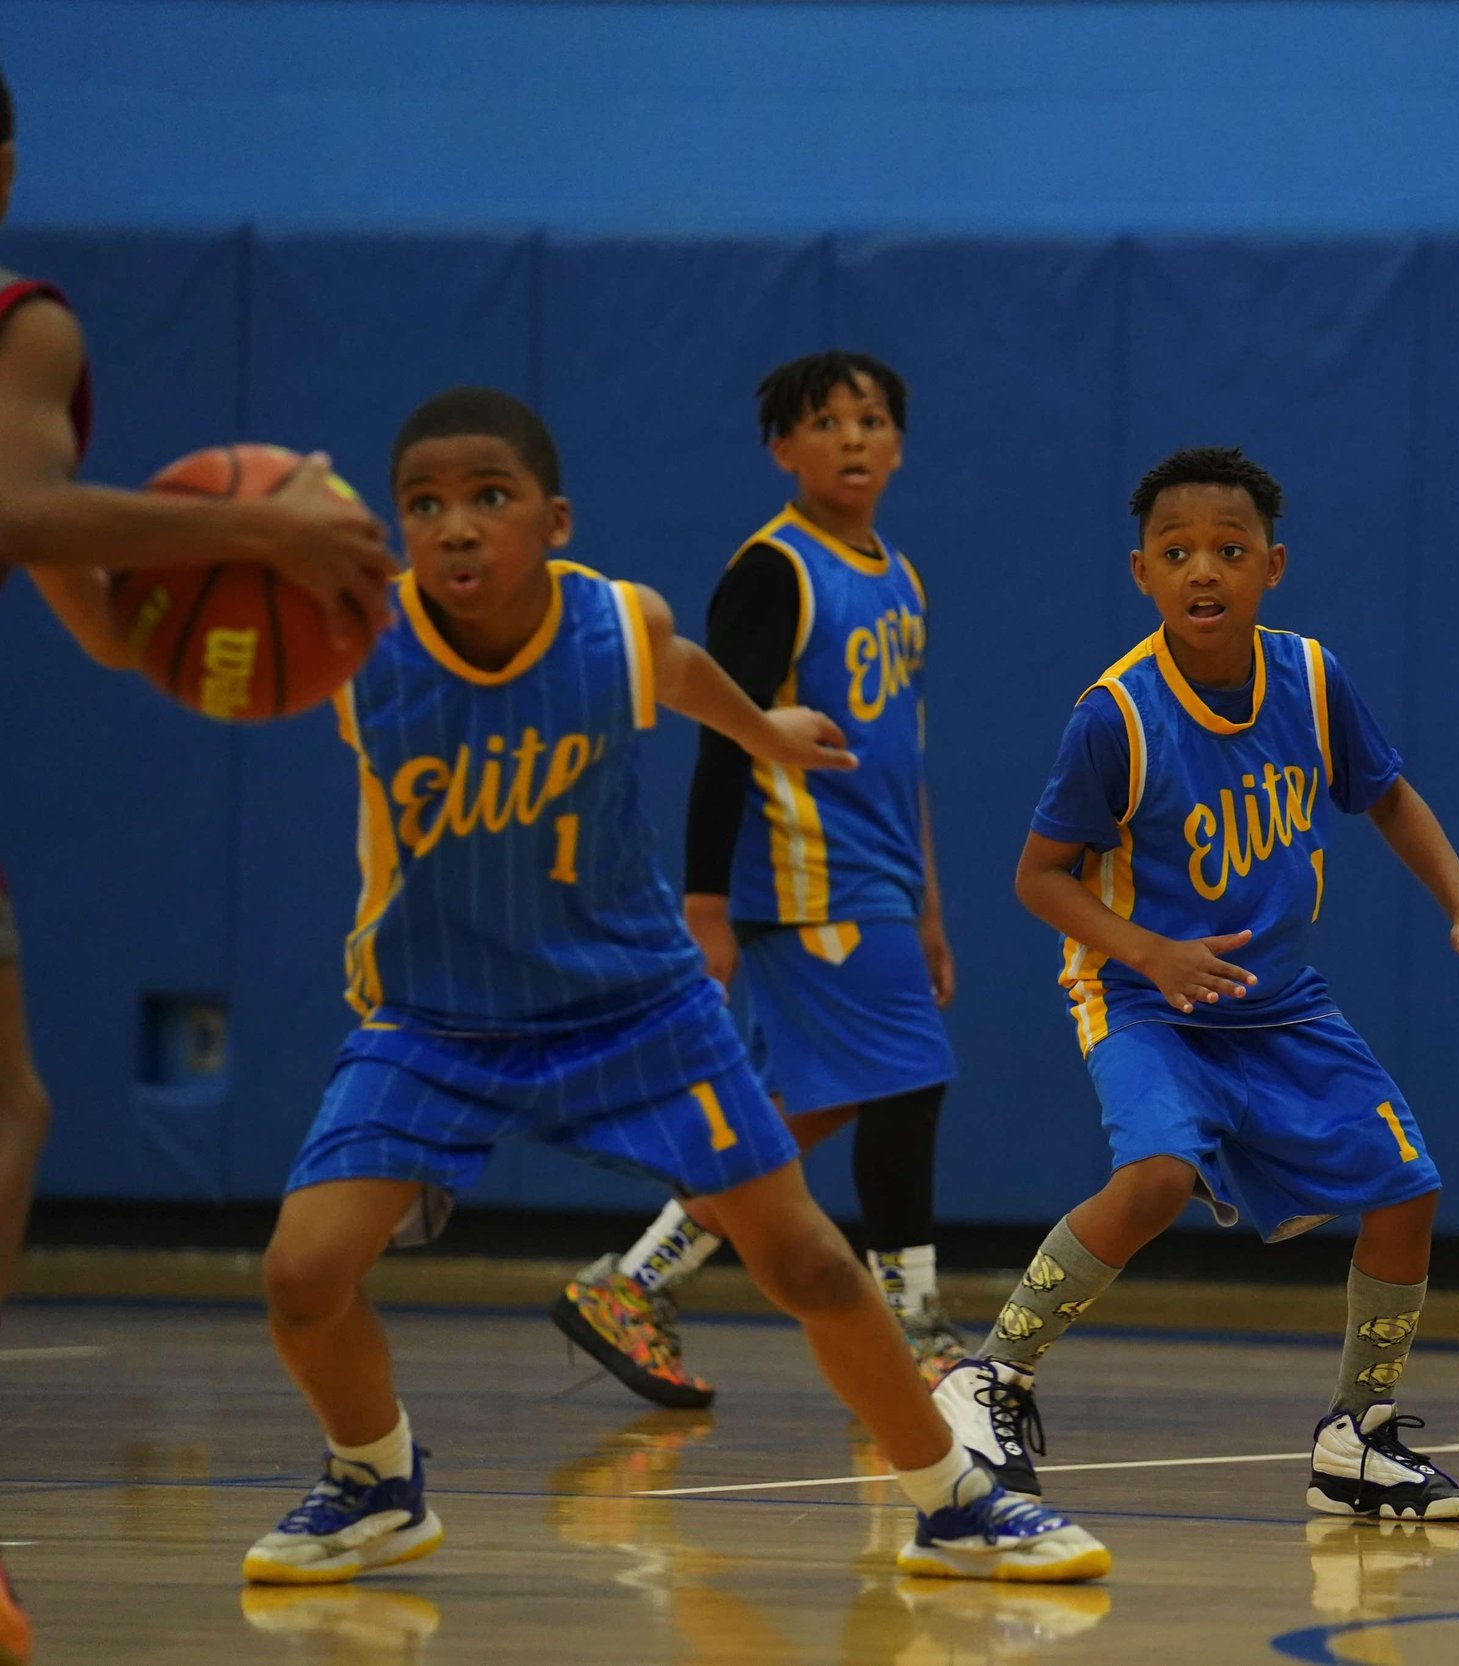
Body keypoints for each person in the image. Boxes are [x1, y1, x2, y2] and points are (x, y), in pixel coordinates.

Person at [241, 387, 1107, 1587]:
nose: (454, 527)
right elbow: (156, 633)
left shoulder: (614, 625)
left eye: (488, 499)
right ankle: (374, 1476)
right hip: (435, 1017)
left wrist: (766, 731)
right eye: (423, 505)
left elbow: (683, 667)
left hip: (634, 1003)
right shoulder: (351, 644)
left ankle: (950, 1497)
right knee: (300, 1274)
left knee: (804, 1260)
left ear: (554, 519)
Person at [934, 446, 1459, 1522]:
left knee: (1407, 1189)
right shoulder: (1114, 717)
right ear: (1141, 573)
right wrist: (1147, 951)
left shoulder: (1311, 678)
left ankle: (1356, 1434)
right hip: (1140, 996)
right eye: (1176, 553)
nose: (1201, 570)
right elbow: (1038, 879)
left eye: (1227, 550)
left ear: (1272, 563)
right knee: (1160, 1173)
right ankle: (993, 1373)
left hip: (1278, 1001)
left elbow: (1388, 794)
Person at [0, 63, 394, 1660]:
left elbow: (68, 586)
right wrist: (273, 547)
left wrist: (133, 601)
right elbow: (20, 515)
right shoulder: (25, 319)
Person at [553, 350, 966, 1407]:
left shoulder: (905, 574)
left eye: (871, 419)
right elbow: (723, 740)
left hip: (878, 881)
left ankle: (631, 1283)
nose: (854, 438)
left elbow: (904, 755)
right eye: (825, 422)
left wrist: (928, 905)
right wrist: (707, 908)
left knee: (804, 1107)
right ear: (782, 448)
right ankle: (916, 1327)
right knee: (906, 1078)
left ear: (901, 442)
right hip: (803, 878)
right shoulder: (773, 570)